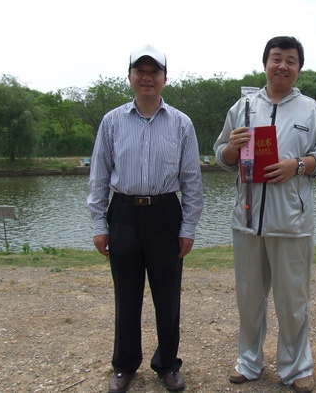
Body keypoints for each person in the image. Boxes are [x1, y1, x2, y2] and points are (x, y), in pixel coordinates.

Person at [213, 36, 316, 393]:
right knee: (249, 299)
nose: (283, 65)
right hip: (247, 220)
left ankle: (296, 367)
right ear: (265, 63)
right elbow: (221, 156)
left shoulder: (310, 110)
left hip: (292, 223)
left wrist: (296, 165)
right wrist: (232, 148)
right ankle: (248, 362)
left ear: (299, 68)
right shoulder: (243, 107)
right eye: (276, 58)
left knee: (293, 301)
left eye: (291, 60)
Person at [87, 44, 204, 393]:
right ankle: (124, 365)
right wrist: (99, 224)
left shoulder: (181, 123)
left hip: (165, 213)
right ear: (130, 77)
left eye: (155, 72)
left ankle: (167, 363)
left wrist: (188, 227)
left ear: (165, 78)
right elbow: (99, 176)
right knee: (126, 295)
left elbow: (192, 181)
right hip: (123, 213)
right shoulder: (112, 121)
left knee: (167, 296)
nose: (147, 78)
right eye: (141, 71)